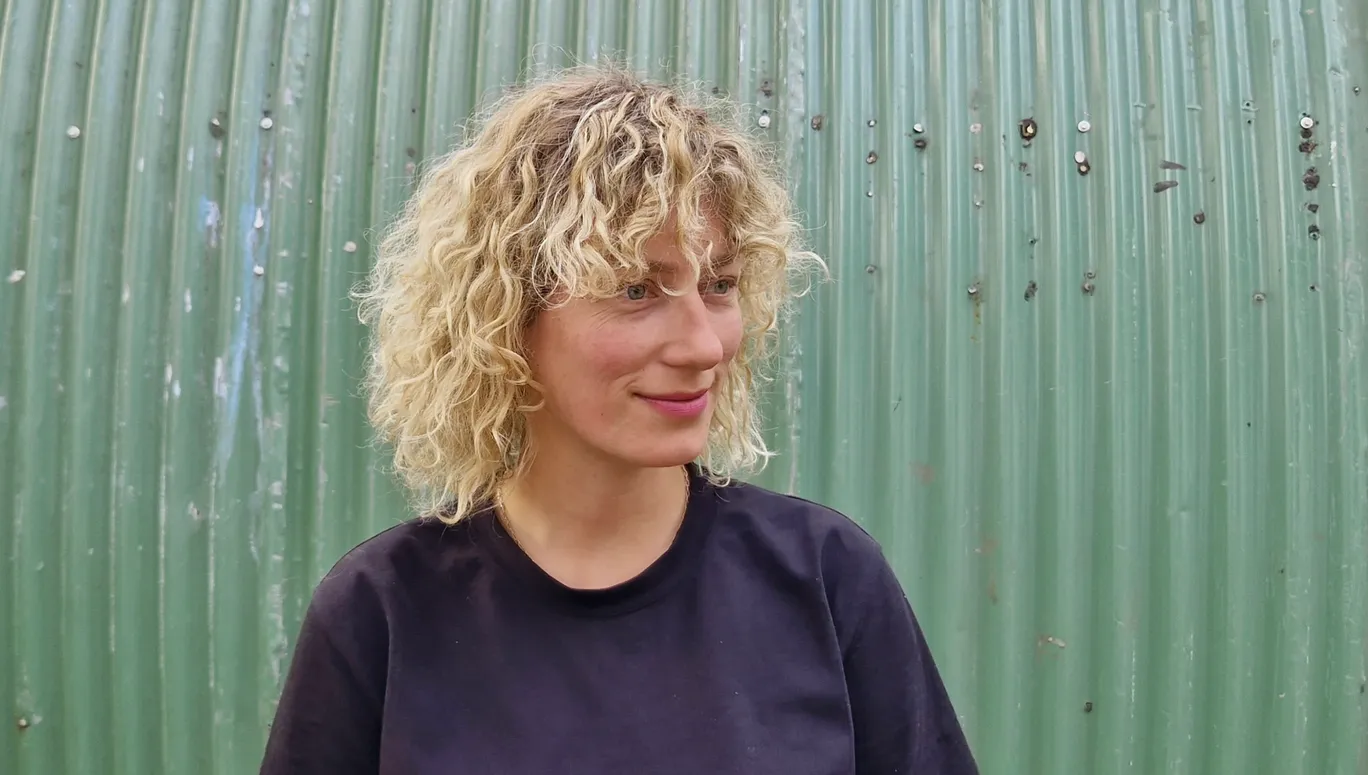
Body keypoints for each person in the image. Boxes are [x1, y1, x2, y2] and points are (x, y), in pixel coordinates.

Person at [260, 64, 977, 774]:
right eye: (636, 290)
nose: (704, 346)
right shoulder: (380, 613)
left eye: (719, 284)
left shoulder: (827, 577)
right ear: (506, 317)